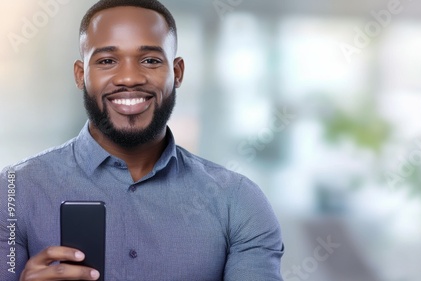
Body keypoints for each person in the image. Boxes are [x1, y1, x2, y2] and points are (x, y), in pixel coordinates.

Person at [0, 0, 284, 280]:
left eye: (150, 60)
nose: (129, 78)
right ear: (80, 75)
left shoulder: (238, 202)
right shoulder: (12, 193)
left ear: (177, 72)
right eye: (107, 61)